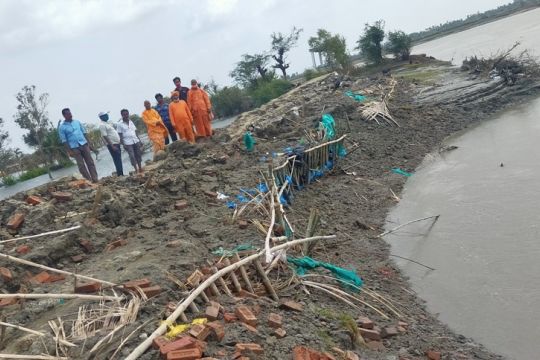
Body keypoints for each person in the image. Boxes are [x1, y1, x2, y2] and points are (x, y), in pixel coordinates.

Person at [58, 108, 98, 182]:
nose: (70, 115)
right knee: (81, 165)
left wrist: (89, 144)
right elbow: (64, 140)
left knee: (90, 162)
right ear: (64, 115)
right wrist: (69, 151)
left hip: (84, 144)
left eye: (70, 113)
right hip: (74, 148)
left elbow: (84, 133)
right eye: (68, 114)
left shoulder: (77, 122)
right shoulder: (62, 127)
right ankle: (88, 181)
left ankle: (95, 179)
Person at [117, 109, 143, 173]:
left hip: (135, 140)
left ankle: (140, 168)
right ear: (122, 115)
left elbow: (135, 131)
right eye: (124, 114)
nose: (126, 115)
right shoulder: (119, 124)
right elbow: (120, 135)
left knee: (138, 154)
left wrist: (139, 140)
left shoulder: (131, 122)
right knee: (132, 156)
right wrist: (123, 144)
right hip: (128, 142)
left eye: (127, 114)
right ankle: (136, 169)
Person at [98, 111, 123, 176]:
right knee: (117, 159)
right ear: (101, 117)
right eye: (105, 115)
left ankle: (121, 173)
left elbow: (117, 125)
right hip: (112, 145)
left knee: (119, 159)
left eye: (107, 115)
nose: (107, 116)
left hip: (116, 143)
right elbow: (105, 136)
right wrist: (112, 146)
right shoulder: (102, 125)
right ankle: (120, 174)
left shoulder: (108, 123)